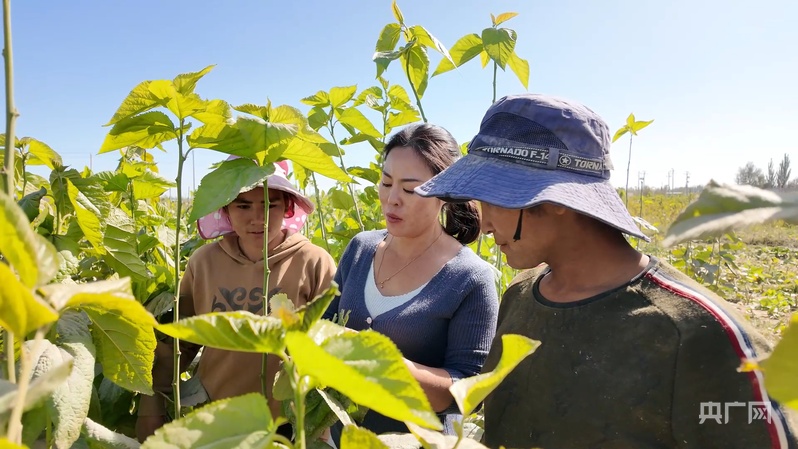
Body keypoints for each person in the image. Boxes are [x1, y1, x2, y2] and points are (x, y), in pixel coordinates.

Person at [415, 94, 798, 449]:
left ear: (556, 197)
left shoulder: (697, 333)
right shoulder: (520, 296)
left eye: (495, 200)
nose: (484, 224)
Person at [136, 160, 336, 442]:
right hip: (217, 418)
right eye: (243, 205)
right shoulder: (203, 263)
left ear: (288, 208)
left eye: (270, 205)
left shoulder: (313, 262)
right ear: (226, 209)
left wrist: (321, 429)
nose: (258, 218)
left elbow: (331, 347)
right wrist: (151, 409)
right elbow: (180, 344)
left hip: (289, 424)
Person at [323, 123, 500, 437]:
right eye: (386, 182)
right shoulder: (360, 249)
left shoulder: (471, 278)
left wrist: (378, 362)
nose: (392, 199)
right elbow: (327, 325)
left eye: (409, 189)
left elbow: (468, 393)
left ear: (444, 193)